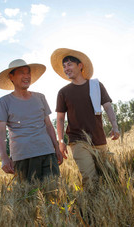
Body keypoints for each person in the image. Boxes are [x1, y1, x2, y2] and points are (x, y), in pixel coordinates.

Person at [51, 48, 120, 187]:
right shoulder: (63, 92)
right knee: (90, 178)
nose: (66, 69)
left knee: (107, 176)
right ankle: (90, 206)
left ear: (80, 65)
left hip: (99, 139)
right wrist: (60, 141)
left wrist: (115, 126)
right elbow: (59, 119)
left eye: (69, 64)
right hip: (78, 141)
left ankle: (105, 207)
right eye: (64, 66)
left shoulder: (96, 86)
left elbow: (107, 107)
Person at [0, 59, 63, 182]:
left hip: (47, 153)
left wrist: (56, 148)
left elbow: (48, 125)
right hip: (23, 157)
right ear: (11, 77)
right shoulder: (3, 102)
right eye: (22, 72)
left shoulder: (40, 97)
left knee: (54, 193)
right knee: (30, 196)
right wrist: (4, 157)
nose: (26, 76)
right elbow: (0, 132)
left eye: (28, 73)